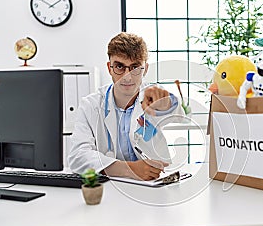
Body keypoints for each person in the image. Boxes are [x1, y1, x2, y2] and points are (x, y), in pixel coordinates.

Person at [68, 32, 184, 180]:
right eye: (119, 67)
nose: (127, 76)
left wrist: (165, 103)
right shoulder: (91, 105)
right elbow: (78, 156)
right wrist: (129, 169)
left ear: (145, 69)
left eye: (135, 67)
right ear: (110, 68)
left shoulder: (151, 97)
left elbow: (178, 115)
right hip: (111, 186)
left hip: (154, 183)